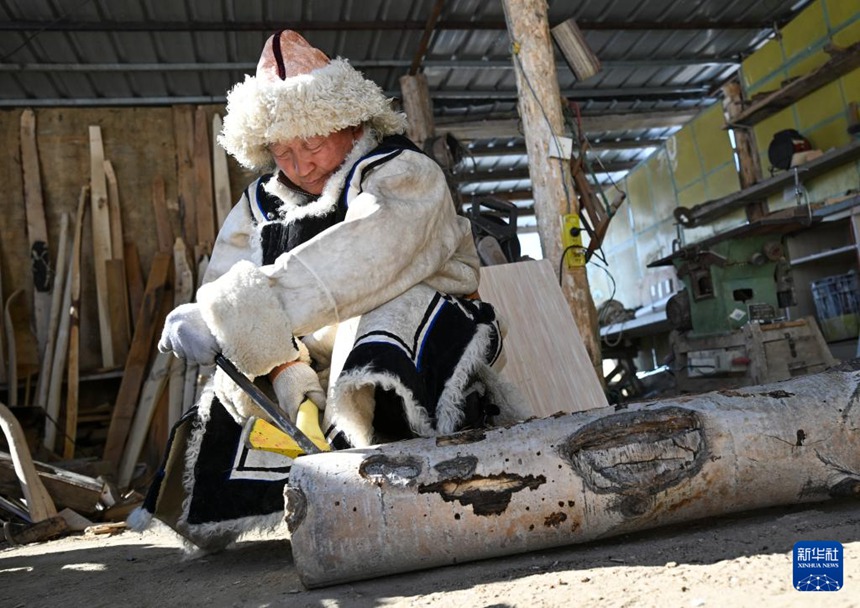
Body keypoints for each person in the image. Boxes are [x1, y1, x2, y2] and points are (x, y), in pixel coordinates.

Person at [129, 30, 519, 551]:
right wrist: (278, 365)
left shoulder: (404, 173)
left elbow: (364, 259)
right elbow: (228, 286)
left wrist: (230, 313)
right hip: (307, 354)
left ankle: (416, 482)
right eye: (282, 151)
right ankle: (305, 494)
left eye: (312, 144)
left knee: (386, 319)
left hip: (424, 336)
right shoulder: (258, 205)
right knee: (236, 380)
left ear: (350, 122)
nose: (301, 165)